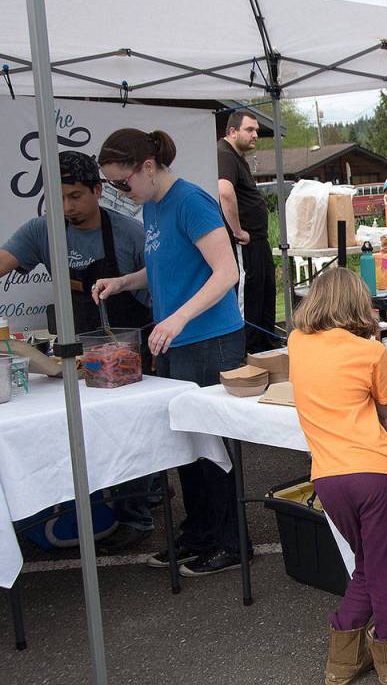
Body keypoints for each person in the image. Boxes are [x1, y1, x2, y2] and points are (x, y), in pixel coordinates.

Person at [93, 128, 249, 576]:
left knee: (214, 443)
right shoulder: (156, 208)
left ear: (147, 166)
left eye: (123, 184)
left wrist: (178, 317)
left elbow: (226, 273)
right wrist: (124, 282)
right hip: (179, 342)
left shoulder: (190, 201)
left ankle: (230, 540)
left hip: (210, 339)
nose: (122, 194)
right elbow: (168, 266)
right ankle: (200, 533)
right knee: (188, 442)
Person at [0, 150, 156, 551]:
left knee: (131, 432)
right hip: (78, 350)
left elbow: (160, 292)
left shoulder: (129, 234)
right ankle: (101, 506)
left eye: (75, 196)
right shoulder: (42, 231)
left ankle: (138, 514)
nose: (66, 207)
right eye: (58, 198)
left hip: (129, 350)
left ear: (98, 190)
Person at [289, 267, 387, 685]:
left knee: (366, 563)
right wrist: (381, 418)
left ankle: (343, 661)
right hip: (375, 473)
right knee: (386, 567)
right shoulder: (371, 352)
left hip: (328, 477)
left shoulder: (296, 343)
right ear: (360, 305)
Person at [217, 109, 278, 353]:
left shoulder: (237, 155)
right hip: (244, 243)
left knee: (264, 298)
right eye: (249, 130)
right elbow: (224, 191)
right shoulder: (224, 154)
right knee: (249, 302)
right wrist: (237, 230)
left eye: (257, 131)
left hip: (258, 241)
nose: (255, 135)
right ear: (232, 131)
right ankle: (247, 356)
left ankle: (266, 352)